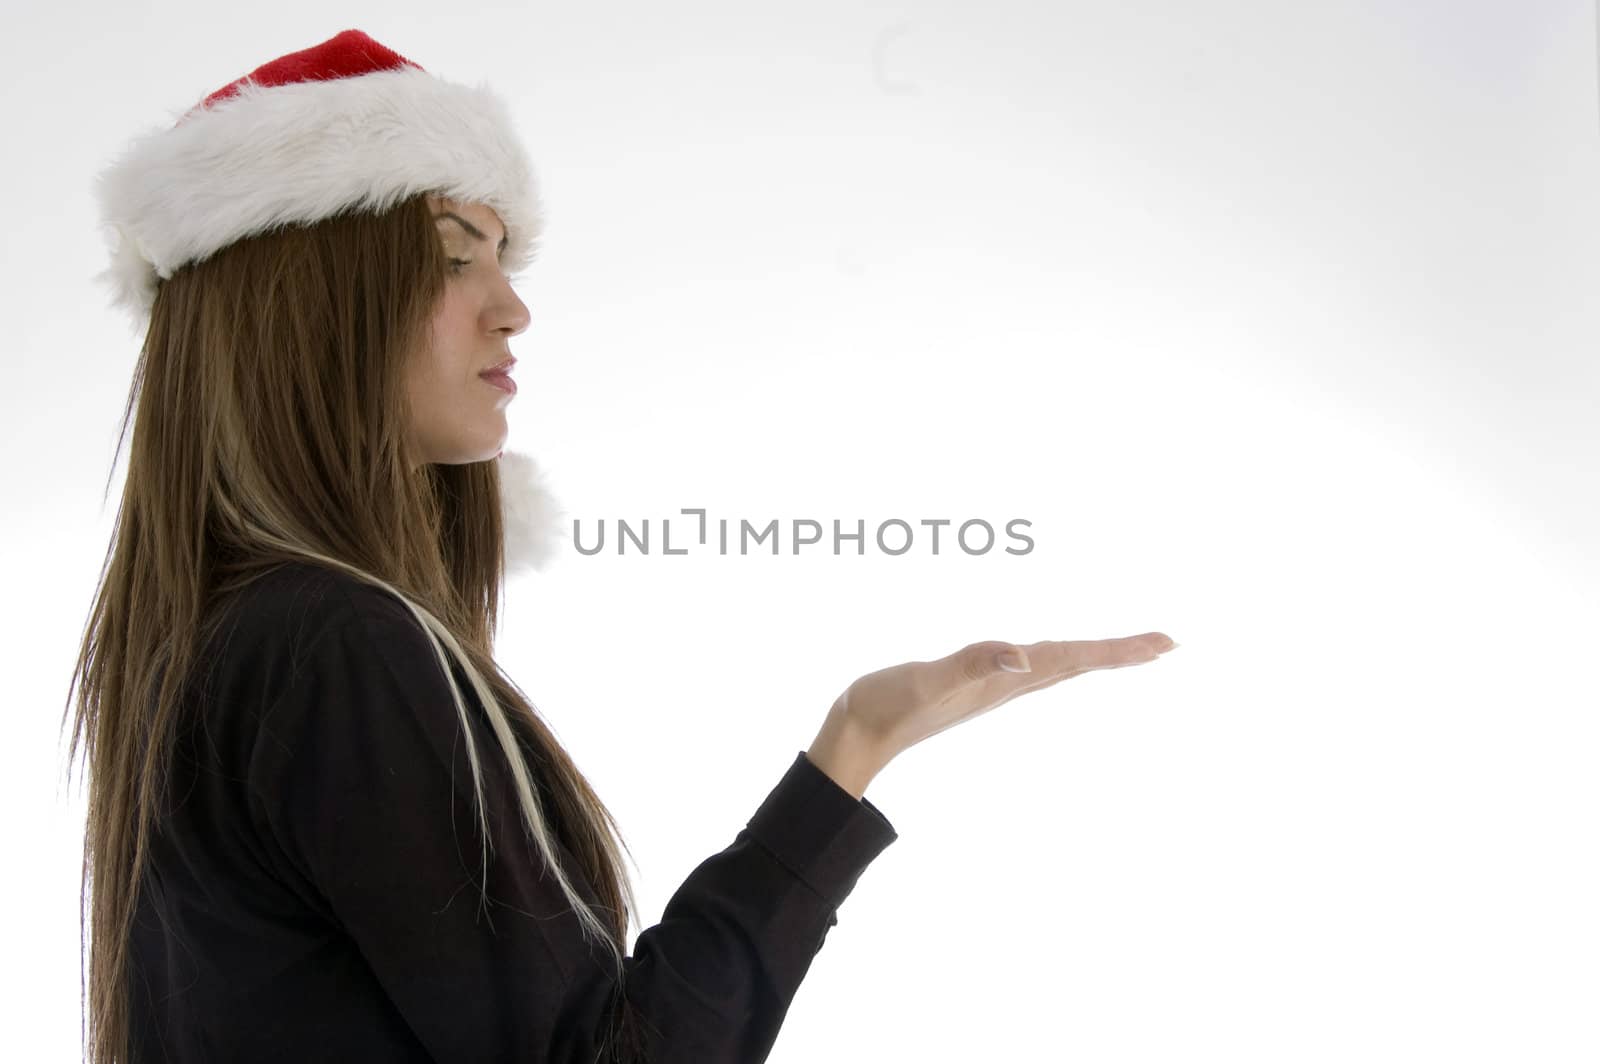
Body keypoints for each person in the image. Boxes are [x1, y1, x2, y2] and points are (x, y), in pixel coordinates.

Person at [62, 27, 1177, 1064]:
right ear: (311, 296)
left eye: (506, 259)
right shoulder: (330, 643)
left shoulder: (233, 636)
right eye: (456, 257)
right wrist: (855, 749)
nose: (513, 308)